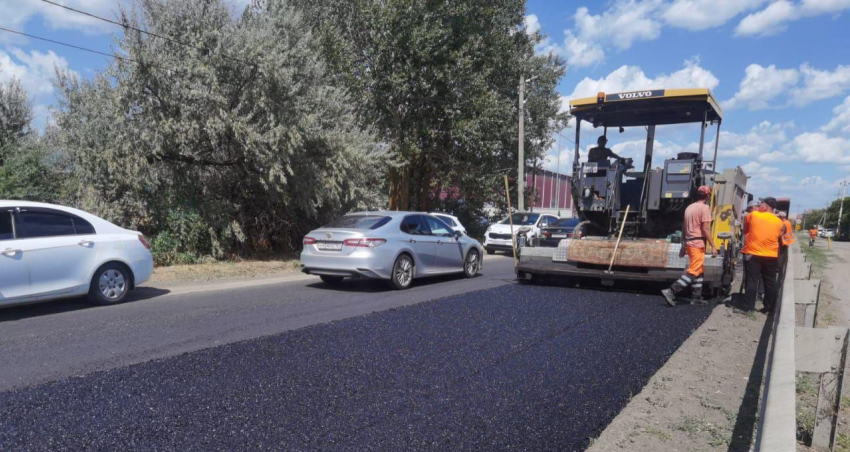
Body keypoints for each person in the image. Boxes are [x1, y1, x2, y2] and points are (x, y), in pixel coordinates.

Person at [662, 185, 718, 306]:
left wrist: (683, 245)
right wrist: (713, 246)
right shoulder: (704, 208)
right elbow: (706, 229)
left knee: (699, 270)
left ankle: (696, 297)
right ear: (708, 196)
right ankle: (671, 291)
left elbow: (683, 227)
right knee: (694, 270)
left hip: (689, 242)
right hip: (697, 243)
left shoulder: (689, 207)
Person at [742, 197, 786, 313]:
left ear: (766, 206)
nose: (759, 206)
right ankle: (769, 308)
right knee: (770, 282)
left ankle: (748, 307)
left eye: (761, 204)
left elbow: (745, 231)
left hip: (753, 254)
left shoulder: (753, 215)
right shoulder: (779, 222)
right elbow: (780, 235)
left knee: (752, 280)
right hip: (771, 255)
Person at [777, 211, 794, 286]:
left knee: (780, 259)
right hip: (786, 242)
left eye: (778, 217)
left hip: (783, 242)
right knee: (783, 259)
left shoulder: (784, 223)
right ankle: (780, 270)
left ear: (781, 217)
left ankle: (779, 270)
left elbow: (780, 234)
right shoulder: (788, 222)